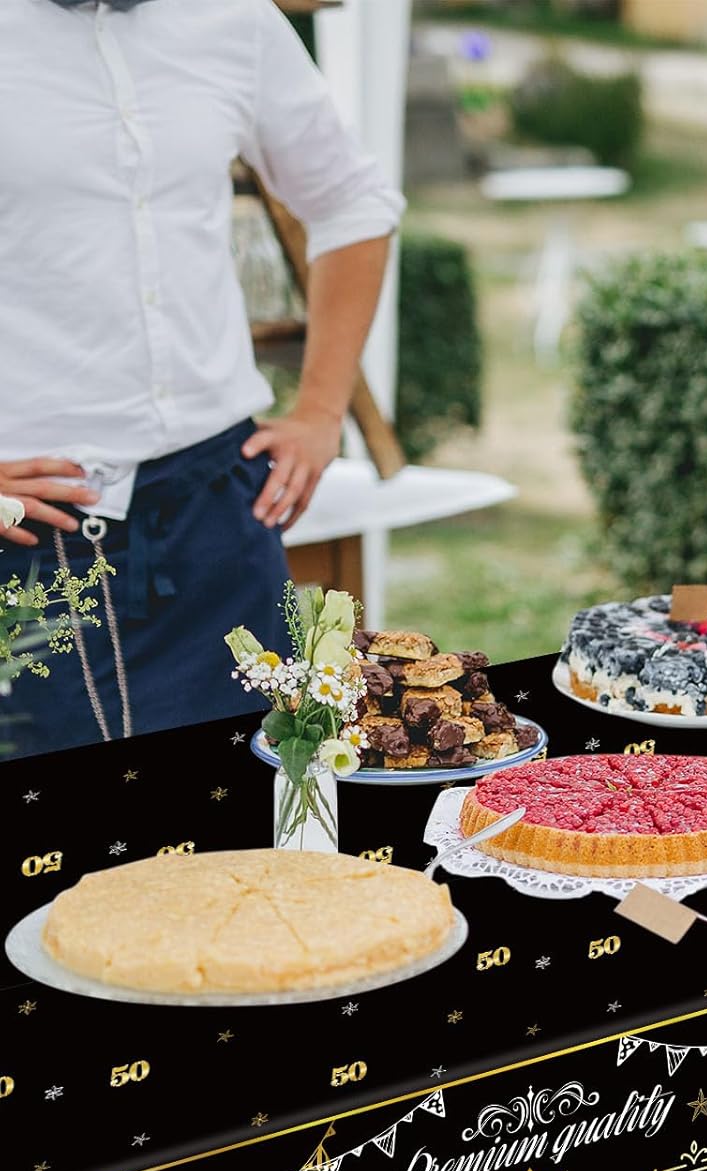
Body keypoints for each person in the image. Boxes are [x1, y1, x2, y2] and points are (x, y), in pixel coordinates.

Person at [0, 0, 405, 757]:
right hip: (23, 539)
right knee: (48, 845)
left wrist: (321, 409)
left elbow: (353, 201)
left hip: (219, 518)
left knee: (261, 816)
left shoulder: (234, 19)